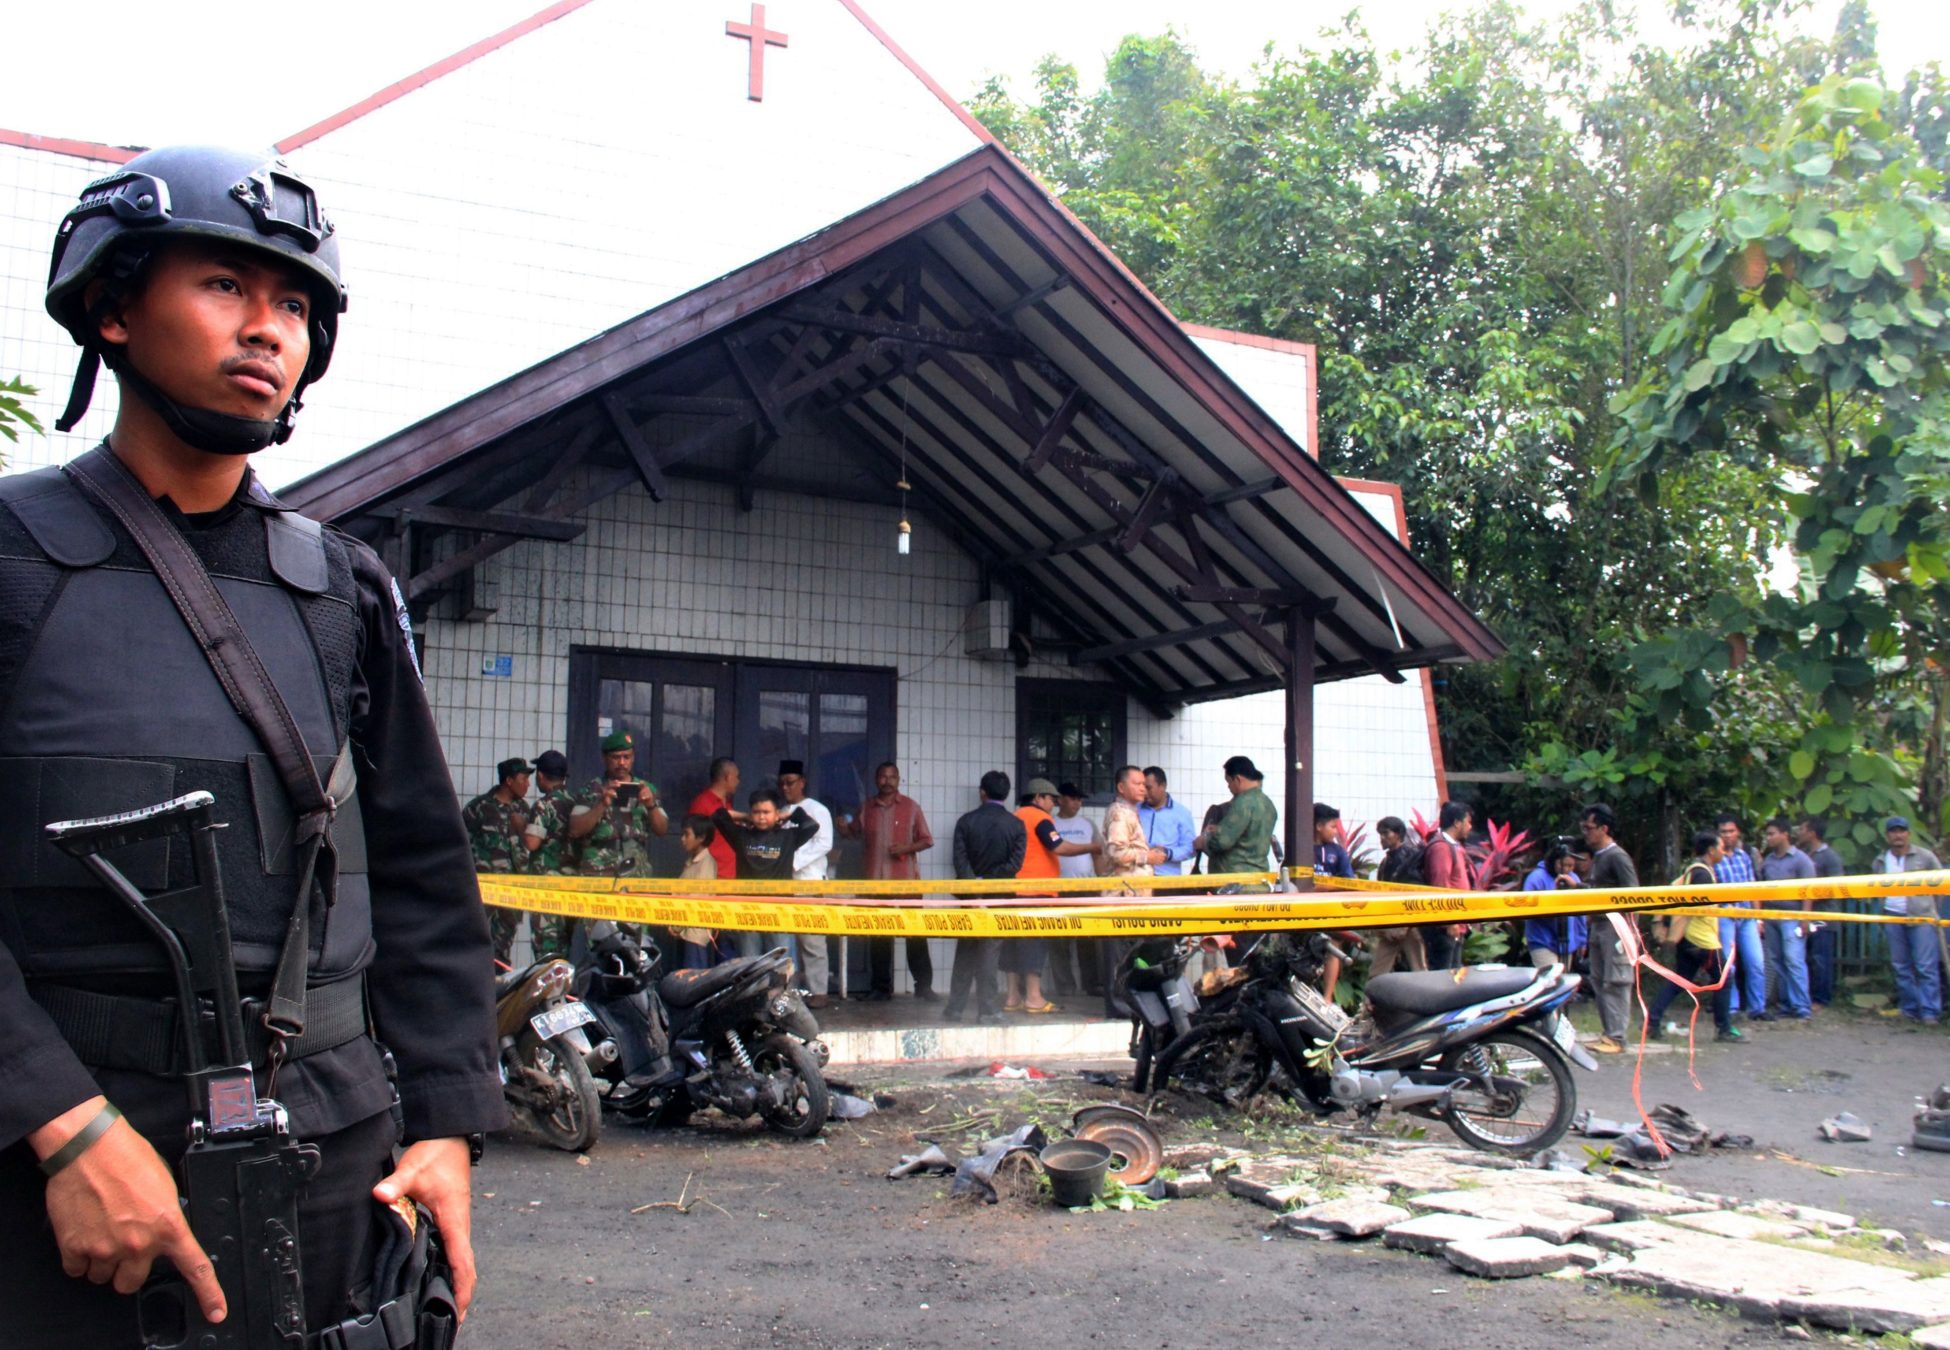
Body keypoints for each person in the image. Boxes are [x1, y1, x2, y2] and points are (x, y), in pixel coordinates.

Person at [0, 146, 502, 1344]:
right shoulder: (13, 561)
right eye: (226, 287)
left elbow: (427, 878)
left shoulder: (344, 590)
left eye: (294, 307)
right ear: (113, 307)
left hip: (333, 1152)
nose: (267, 329)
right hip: (61, 1160)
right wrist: (60, 1121)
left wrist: (443, 1127)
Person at [1005, 780, 1098, 1012]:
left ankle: (1012, 997)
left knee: (1014, 942)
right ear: (1038, 798)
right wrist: (1091, 847)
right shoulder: (1040, 819)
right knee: (1034, 943)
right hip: (1037, 891)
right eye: (1051, 799)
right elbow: (1058, 847)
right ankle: (1034, 998)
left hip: (1014, 889)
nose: (1053, 805)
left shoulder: (1014, 817)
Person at [944, 772, 1027, 1024]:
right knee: (990, 952)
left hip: (969, 895)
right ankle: (988, 1010)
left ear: (983, 793)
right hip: (999, 896)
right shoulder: (1016, 825)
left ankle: (955, 1008)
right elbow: (1015, 864)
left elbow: (959, 860)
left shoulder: (966, 822)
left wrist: (974, 884)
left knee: (965, 950)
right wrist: (990, 881)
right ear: (1007, 794)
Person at [1645, 832, 1739, 1041]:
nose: (1723, 851)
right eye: (1721, 847)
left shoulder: (1693, 871)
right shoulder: (1702, 873)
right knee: (1724, 978)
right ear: (1711, 850)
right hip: (1701, 939)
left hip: (1688, 937)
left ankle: (1652, 1021)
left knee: (1680, 980)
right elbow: (1698, 904)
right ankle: (1724, 1029)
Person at [855, 761, 935, 1000]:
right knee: (879, 936)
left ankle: (923, 987)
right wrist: (842, 827)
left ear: (898, 780)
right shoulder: (866, 808)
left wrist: (906, 847)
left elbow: (927, 840)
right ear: (876, 780)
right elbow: (852, 832)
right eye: (882, 776)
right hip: (876, 885)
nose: (887, 781)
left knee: (915, 935)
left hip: (906, 884)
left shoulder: (911, 807)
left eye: (892, 777)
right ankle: (881, 988)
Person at [1580, 802, 1640, 1053]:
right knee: (1599, 980)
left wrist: (1631, 931)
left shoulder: (1617, 857)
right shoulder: (1600, 857)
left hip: (1616, 928)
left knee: (1616, 980)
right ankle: (1608, 1034)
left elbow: (1634, 895)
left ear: (1604, 829)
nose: (1586, 833)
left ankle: (1617, 1036)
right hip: (1599, 926)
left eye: (1589, 828)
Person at [1097, 764, 1155, 1017]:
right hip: (1122, 897)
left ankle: (1126, 1003)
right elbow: (1116, 852)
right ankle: (1119, 1005)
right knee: (1119, 955)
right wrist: (1148, 856)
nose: (1143, 787)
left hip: (1134, 896)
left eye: (1144, 784)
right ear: (1122, 787)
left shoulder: (1130, 811)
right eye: (1137, 783)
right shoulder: (1120, 813)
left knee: (1130, 954)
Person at [464, 757, 534, 963]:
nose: (528, 784)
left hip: (513, 890)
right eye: (523, 778)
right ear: (509, 781)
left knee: (504, 944)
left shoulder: (523, 809)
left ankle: (501, 984)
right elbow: (461, 843)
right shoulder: (479, 808)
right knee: (476, 939)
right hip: (484, 890)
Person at [778, 760, 837, 1007]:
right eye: (781, 783)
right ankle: (786, 992)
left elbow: (825, 843)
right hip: (785, 885)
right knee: (783, 941)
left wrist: (793, 862)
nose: (785, 788)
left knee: (811, 940)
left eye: (790, 783)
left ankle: (819, 991)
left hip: (810, 882)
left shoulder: (817, 809)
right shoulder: (781, 810)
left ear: (802, 782)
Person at [1875, 815, 1943, 1025]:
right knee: (1901, 966)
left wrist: (1930, 909)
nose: (1898, 835)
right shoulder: (1881, 860)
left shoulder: (1925, 857)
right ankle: (1910, 1008)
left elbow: (1941, 885)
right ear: (1887, 836)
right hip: (1893, 916)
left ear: (1908, 834)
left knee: (1925, 966)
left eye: (1902, 831)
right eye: (1894, 831)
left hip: (1921, 917)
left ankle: (1930, 1012)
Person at [572, 730, 668, 877]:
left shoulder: (646, 789)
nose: (622, 763)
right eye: (616, 757)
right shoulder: (591, 790)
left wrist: (651, 805)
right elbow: (575, 829)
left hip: (635, 871)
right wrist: (602, 804)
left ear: (633, 758)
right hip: (599, 870)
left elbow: (662, 830)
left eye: (626, 757)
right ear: (605, 758)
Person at [1046, 782, 1104, 997]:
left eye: (1079, 799)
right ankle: (1065, 986)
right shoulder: (1050, 823)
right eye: (1072, 798)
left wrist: (1101, 884)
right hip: (1059, 889)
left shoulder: (1088, 824)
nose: (1077, 803)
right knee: (1059, 941)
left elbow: (1098, 854)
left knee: (1089, 939)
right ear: (1059, 799)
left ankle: (1093, 983)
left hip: (1087, 888)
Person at [1757, 816, 1815, 1020]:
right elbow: (1759, 890)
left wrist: (1805, 918)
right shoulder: (1768, 861)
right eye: (1767, 834)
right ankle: (1786, 1003)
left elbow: (1809, 891)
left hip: (1793, 916)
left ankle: (1801, 1006)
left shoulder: (1801, 860)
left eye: (1772, 834)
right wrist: (1761, 917)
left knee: (1794, 960)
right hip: (1772, 915)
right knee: (1777, 960)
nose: (1769, 838)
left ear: (1785, 835)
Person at [1713, 813, 1768, 1021]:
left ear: (1738, 833)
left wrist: (1758, 917)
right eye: (1723, 832)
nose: (1727, 836)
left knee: (1756, 962)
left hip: (1746, 916)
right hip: (1725, 915)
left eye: (1731, 831)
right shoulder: (1714, 859)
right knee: (1729, 965)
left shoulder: (1744, 856)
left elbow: (1753, 888)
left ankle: (1758, 1007)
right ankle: (1732, 1006)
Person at [1197, 756, 1277, 883]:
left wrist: (1203, 842)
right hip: (1259, 879)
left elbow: (1222, 841)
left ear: (1238, 779)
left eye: (1229, 782)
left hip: (1235, 884)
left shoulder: (1243, 803)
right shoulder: (1268, 805)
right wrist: (1220, 829)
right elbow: (1248, 835)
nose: (1228, 787)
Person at [1795, 815, 1846, 1007]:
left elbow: (1837, 886)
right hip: (1806, 914)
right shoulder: (1805, 854)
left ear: (1812, 833)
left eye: (1802, 829)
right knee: (1809, 957)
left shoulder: (1829, 856)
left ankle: (1822, 998)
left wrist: (1812, 895)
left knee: (1820, 957)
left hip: (1824, 915)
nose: (1799, 833)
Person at [1366, 817, 1427, 976]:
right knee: (1379, 968)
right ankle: (1370, 1000)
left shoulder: (1409, 857)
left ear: (1398, 834)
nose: (1383, 838)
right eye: (1381, 834)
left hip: (1407, 921)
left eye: (1386, 833)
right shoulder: (1388, 860)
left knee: (1418, 967)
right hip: (1393, 921)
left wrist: (1405, 922)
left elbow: (1415, 889)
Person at [1421, 802, 1474, 971]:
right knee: (1445, 975)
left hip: (1456, 923)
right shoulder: (1441, 848)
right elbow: (1440, 885)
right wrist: (1450, 922)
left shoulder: (1453, 847)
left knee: (1454, 973)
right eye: (1468, 822)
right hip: (1446, 928)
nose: (1470, 827)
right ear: (1457, 823)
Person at [1312, 804, 1357, 997]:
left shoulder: (1338, 851)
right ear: (1318, 826)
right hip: (1307, 911)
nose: (1336, 831)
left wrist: (1324, 888)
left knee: (1333, 948)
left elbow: (1350, 881)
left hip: (1331, 910)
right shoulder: (1300, 848)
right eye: (1332, 826)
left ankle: (1327, 997)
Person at [1521, 839, 1587, 970]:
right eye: (1563, 865)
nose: (1567, 870)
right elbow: (1528, 910)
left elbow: (1581, 913)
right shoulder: (1536, 878)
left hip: (1567, 943)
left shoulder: (1573, 879)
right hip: (1542, 940)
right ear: (1553, 861)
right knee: (1551, 979)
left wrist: (1582, 940)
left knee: (1564, 981)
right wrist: (1555, 895)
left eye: (1571, 866)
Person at [671, 815, 720, 968]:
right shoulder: (691, 862)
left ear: (701, 838)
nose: (682, 839)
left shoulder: (706, 864)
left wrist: (676, 925)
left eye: (687, 834)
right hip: (685, 932)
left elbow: (696, 900)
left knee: (693, 977)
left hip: (695, 934)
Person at [687, 757, 742, 885]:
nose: (738, 781)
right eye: (737, 777)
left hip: (730, 877)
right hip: (709, 878)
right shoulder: (702, 803)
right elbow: (692, 840)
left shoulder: (727, 804)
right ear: (728, 777)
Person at [1137, 767, 1197, 875]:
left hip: (1166, 878)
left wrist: (1168, 853)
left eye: (1148, 788)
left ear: (1163, 786)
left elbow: (1190, 849)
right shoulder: (1135, 810)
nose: (1145, 792)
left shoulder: (1181, 813)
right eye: (1142, 787)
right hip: (1139, 876)